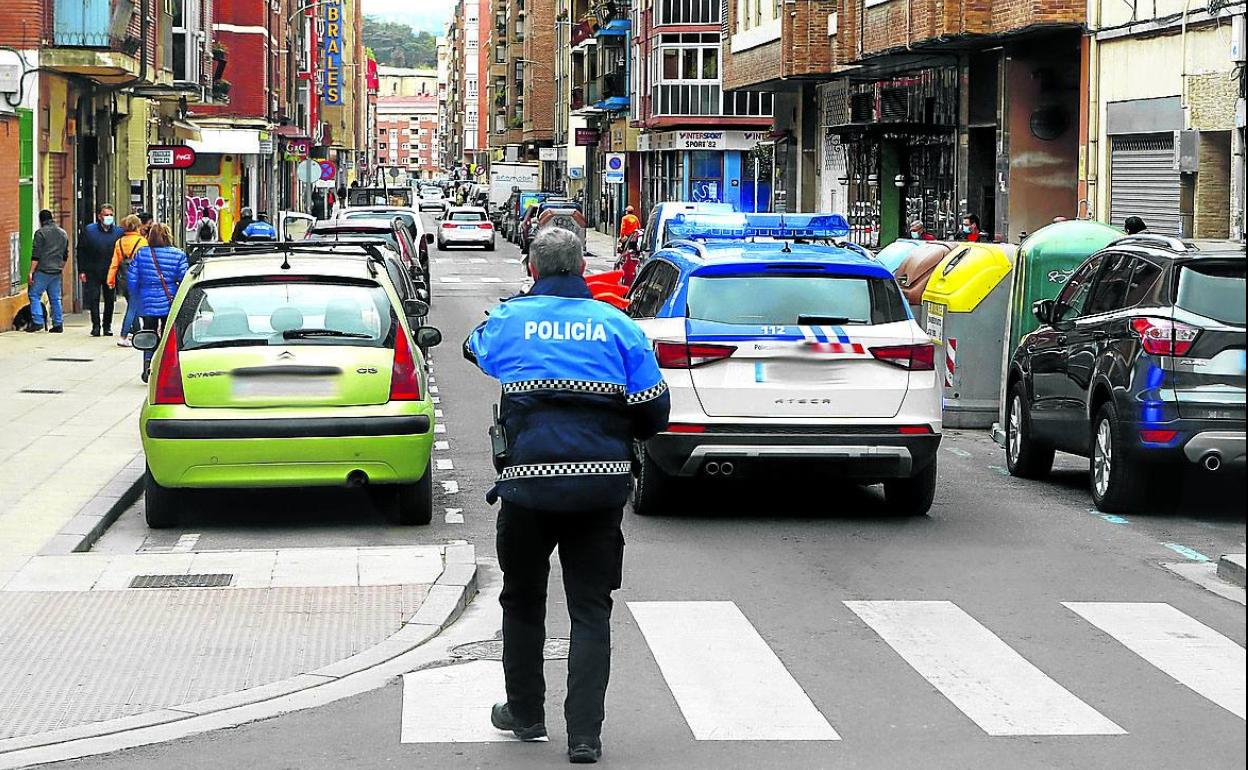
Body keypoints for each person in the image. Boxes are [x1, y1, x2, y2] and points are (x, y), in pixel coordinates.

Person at [464, 228, 670, 765]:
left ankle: (526, 712)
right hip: (599, 492)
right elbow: (654, 411)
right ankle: (584, 736)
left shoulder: (508, 321)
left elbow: (473, 350)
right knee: (590, 610)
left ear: (532, 268)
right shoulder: (619, 327)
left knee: (523, 600)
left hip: (526, 491)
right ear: (582, 266)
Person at [127, 223, 188, 382]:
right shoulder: (178, 255)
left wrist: (136, 296)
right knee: (170, 335)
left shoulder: (141, 254)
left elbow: (132, 279)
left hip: (147, 300)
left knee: (149, 332)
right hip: (170, 300)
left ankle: (148, 364)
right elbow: (183, 279)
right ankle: (168, 366)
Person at [79, 203, 124, 336]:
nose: (108, 217)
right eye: (106, 215)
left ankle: (107, 326)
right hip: (93, 270)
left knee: (110, 299)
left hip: (111, 271)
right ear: (99, 216)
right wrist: (82, 270)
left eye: (111, 215)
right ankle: (96, 325)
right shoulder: (89, 231)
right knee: (93, 298)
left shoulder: (118, 232)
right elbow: (81, 250)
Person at [107, 215, 148, 347]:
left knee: (132, 304)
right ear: (137, 226)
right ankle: (123, 335)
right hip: (138, 279)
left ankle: (138, 333)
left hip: (123, 279)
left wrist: (110, 279)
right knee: (132, 307)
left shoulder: (119, 242)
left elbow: (114, 263)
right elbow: (145, 263)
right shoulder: (142, 242)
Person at [26, 209, 69, 333]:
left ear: (41, 220)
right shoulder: (63, 233)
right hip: (56, 271)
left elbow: (36, 255)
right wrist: (60, 268)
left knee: (34, 295)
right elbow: (65, 255)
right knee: (55, 298)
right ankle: (58, 324)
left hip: (42, 270)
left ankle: (37, 321)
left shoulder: (40, 233)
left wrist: (30, 272)